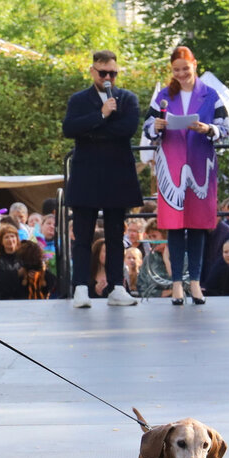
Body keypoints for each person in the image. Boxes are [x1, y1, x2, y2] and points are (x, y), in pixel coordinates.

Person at [143, 46, 229, 306]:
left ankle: (195, 283)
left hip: (201, 167)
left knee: (197, 226)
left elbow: (226, 128)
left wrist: (208, 128)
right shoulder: (163, 96)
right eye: (176, 70)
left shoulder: (211, 95)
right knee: (174, 227)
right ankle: (177, 284)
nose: (181, 74)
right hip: (171, 167)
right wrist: (156, 126)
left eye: (185, 68)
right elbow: (147, 127)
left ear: (195, 65)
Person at [63, 49, 142, 308]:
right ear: (92, 71)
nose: (108, 78)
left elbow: (127, 129)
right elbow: (70, 128)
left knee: (115, 234)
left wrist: (92, 130)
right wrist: (101, 115)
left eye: (113, 73)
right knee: (82, 235)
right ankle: (80, 288)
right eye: (103, 73)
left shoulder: (127, 98)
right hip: (86, 175)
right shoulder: (78, 99)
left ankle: (117, 287)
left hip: (117, 174)